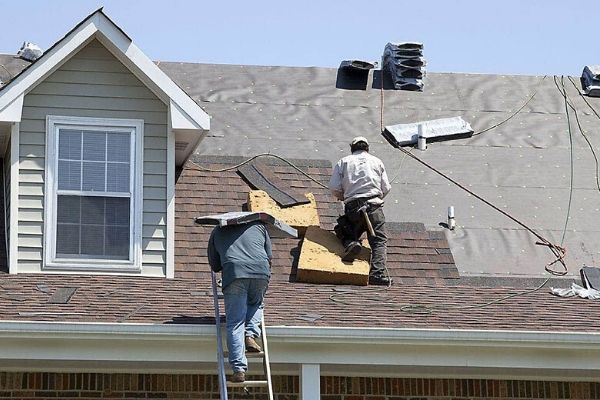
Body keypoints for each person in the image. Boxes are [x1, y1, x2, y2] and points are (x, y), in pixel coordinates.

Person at [207, 220, 272, 383]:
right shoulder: (258, 226)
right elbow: (269, 256)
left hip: (234, 272)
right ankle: (250, 334)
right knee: (256, 303)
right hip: (260, 271)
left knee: (235, 323)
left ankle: (239, 369)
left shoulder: (218, 230)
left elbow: (215, 265)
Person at [329, 136, 393, 286]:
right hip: (374, 206)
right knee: (378, 241)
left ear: (352, 149)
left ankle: (351, 242)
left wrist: (344, 196)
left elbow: (334, 187)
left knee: (344, 230)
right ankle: (377, 274)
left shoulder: (343, 162)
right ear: (367, 148)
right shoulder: (377, 161)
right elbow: (386, 188)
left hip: (353, 207)